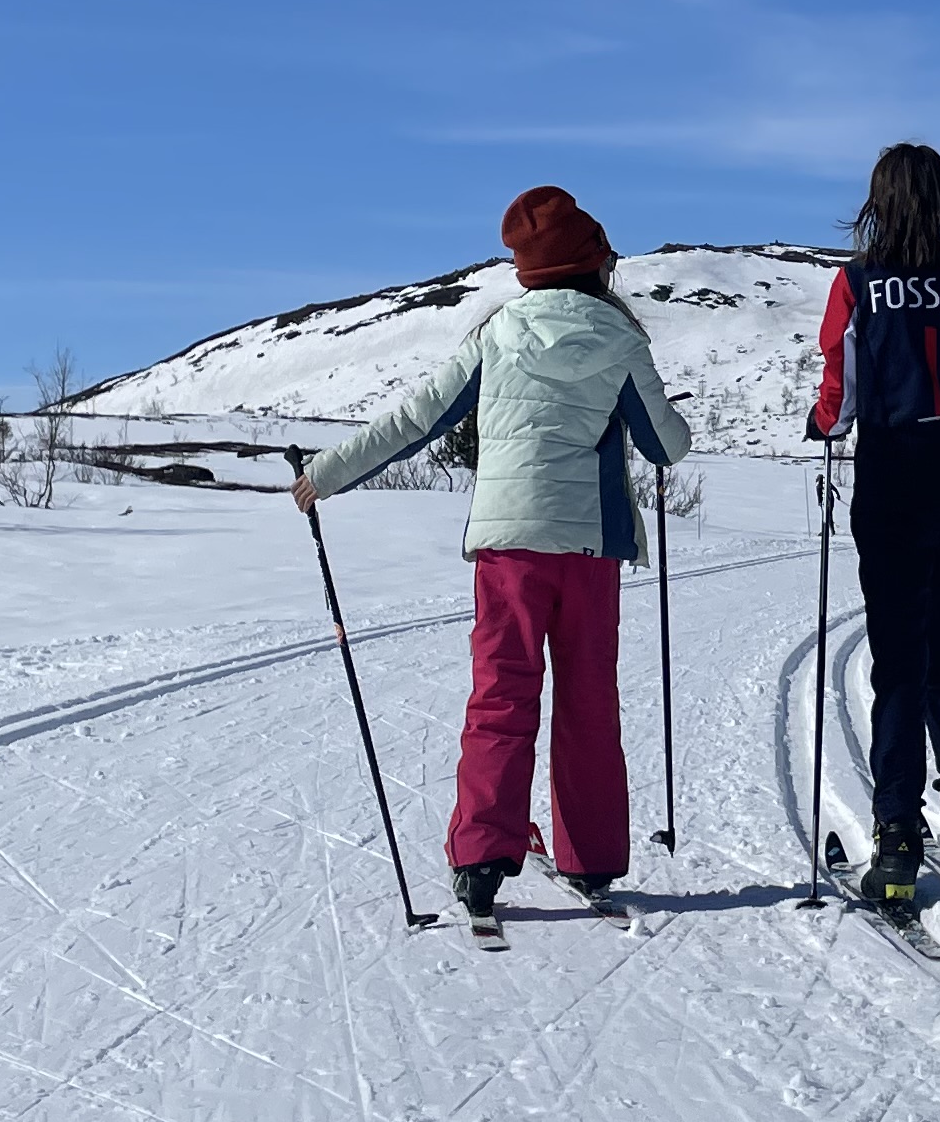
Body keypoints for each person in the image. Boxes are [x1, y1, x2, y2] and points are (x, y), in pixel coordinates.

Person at [294, 186, 692, 927]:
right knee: (588, 702)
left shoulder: (497, 334)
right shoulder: (620, 339)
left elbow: (416, 419)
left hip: (508, 549)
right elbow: (665, 446)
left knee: (502, 698)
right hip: (589, 546)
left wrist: (324, 475)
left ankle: (480, 859)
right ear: (594, 263)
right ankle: (592, 856)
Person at [806, 142, 940, 909]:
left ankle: (896, 833)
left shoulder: (858, 283)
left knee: (897, 661)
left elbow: (841, 393)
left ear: (879, 203)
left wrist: (821, 421)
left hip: (893, 485)